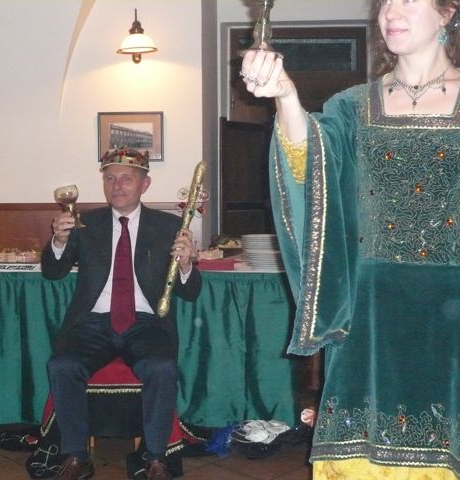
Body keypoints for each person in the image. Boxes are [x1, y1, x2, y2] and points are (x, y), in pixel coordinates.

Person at [241, 0, 460, 478]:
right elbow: (312, 163)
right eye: (385, 1)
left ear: (447, 12)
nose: (391, 11)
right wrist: (286, 95)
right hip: (370, 313)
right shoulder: (354, 105)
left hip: (451, 313)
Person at [41, 148, 202, 480]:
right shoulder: (85, 224)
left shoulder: (170, 226)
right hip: (93, 323)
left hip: (146, 323)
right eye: (110, 178)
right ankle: (76, 455)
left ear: (145, 184)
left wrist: (187, 264)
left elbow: (190, 292)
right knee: (62, 364)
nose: (116, 186)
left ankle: (156, 459)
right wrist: (58, 241)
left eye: (126, 179)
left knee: (161, 366)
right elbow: (54, 272)